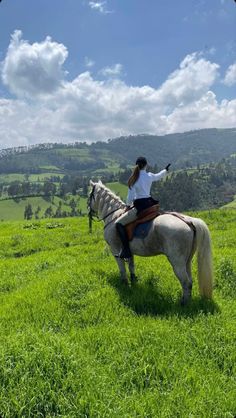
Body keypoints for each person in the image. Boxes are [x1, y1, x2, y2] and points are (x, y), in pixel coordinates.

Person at [115, 157, 171, 260]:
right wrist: (165, 170)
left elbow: (130, 198)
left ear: (136, 165)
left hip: (139, 207)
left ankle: (126, 250)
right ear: (146, 165)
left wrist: (127, 206)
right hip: (150, 204)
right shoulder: (149, 176)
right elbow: (158, 176)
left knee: (118, 224)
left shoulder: (133, 179)